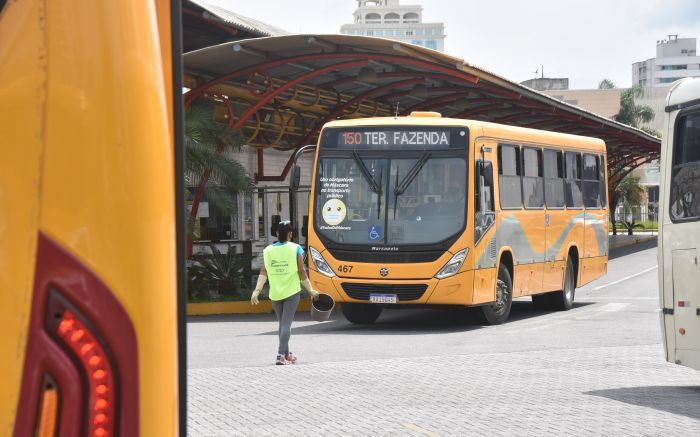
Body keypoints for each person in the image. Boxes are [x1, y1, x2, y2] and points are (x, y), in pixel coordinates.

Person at [250, 220, 319, 365]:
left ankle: (287, 355)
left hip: (275, 293)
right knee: (286, 325)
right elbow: (302, 272)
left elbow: (264, 271)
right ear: (290, 234)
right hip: (292, 292)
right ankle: (280, 355)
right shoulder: (296, 248)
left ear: (276, 233)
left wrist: (257, 291)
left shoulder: (268, 250)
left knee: (282, 324)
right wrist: (311, 290)